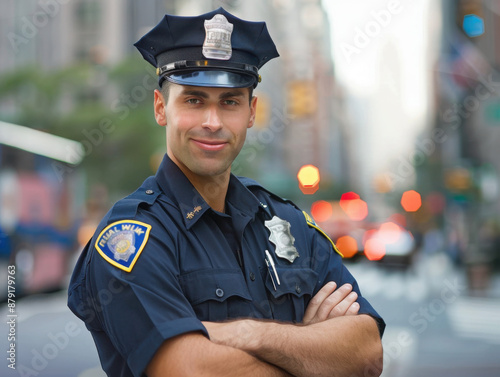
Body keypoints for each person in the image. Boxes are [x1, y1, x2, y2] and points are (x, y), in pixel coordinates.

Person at [68, 7, 385, 377]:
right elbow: (187, 370)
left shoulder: (289, 223)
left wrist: (248, 334)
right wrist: (311, 350)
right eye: (194, 100)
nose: (213, 122)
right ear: (161, 108)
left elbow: (367, 353)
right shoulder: (131, 236)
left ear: (251, 112)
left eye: (230, 102)